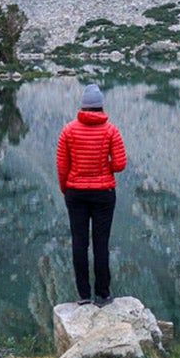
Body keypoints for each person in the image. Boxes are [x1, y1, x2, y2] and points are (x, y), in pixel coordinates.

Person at [55, 83, 127, 305]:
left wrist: (66, 189)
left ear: (83, 106)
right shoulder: (111, 131)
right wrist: (105, 164)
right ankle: (103, 294)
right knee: (101, 243)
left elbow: (61, 165)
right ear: (100, 107)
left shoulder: (68, 130)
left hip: (75, 193)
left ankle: (84, 295)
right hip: (104, 193)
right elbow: (120, 165)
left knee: (79, 242)